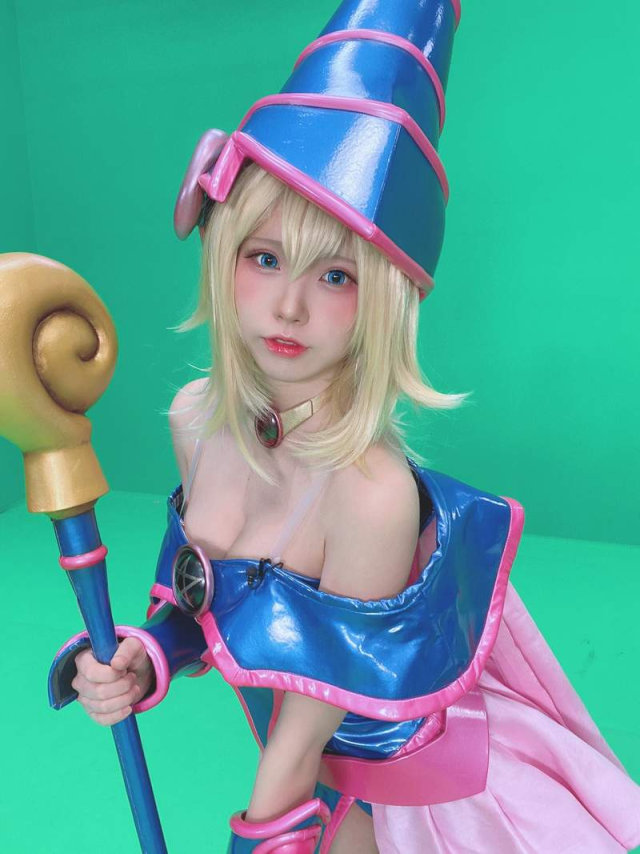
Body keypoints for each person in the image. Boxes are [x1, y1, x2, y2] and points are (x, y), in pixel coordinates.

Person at [49, 1, 640, 851]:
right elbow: (202, 597)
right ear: (222, 257)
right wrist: (144, 654)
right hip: (312, 780)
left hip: (414, 799)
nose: (289, 305)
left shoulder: (370, 494)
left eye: (336, 275)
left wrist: (259, 837)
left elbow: (305, 734)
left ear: (386, 295)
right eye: (264, 258)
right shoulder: (196, 419)